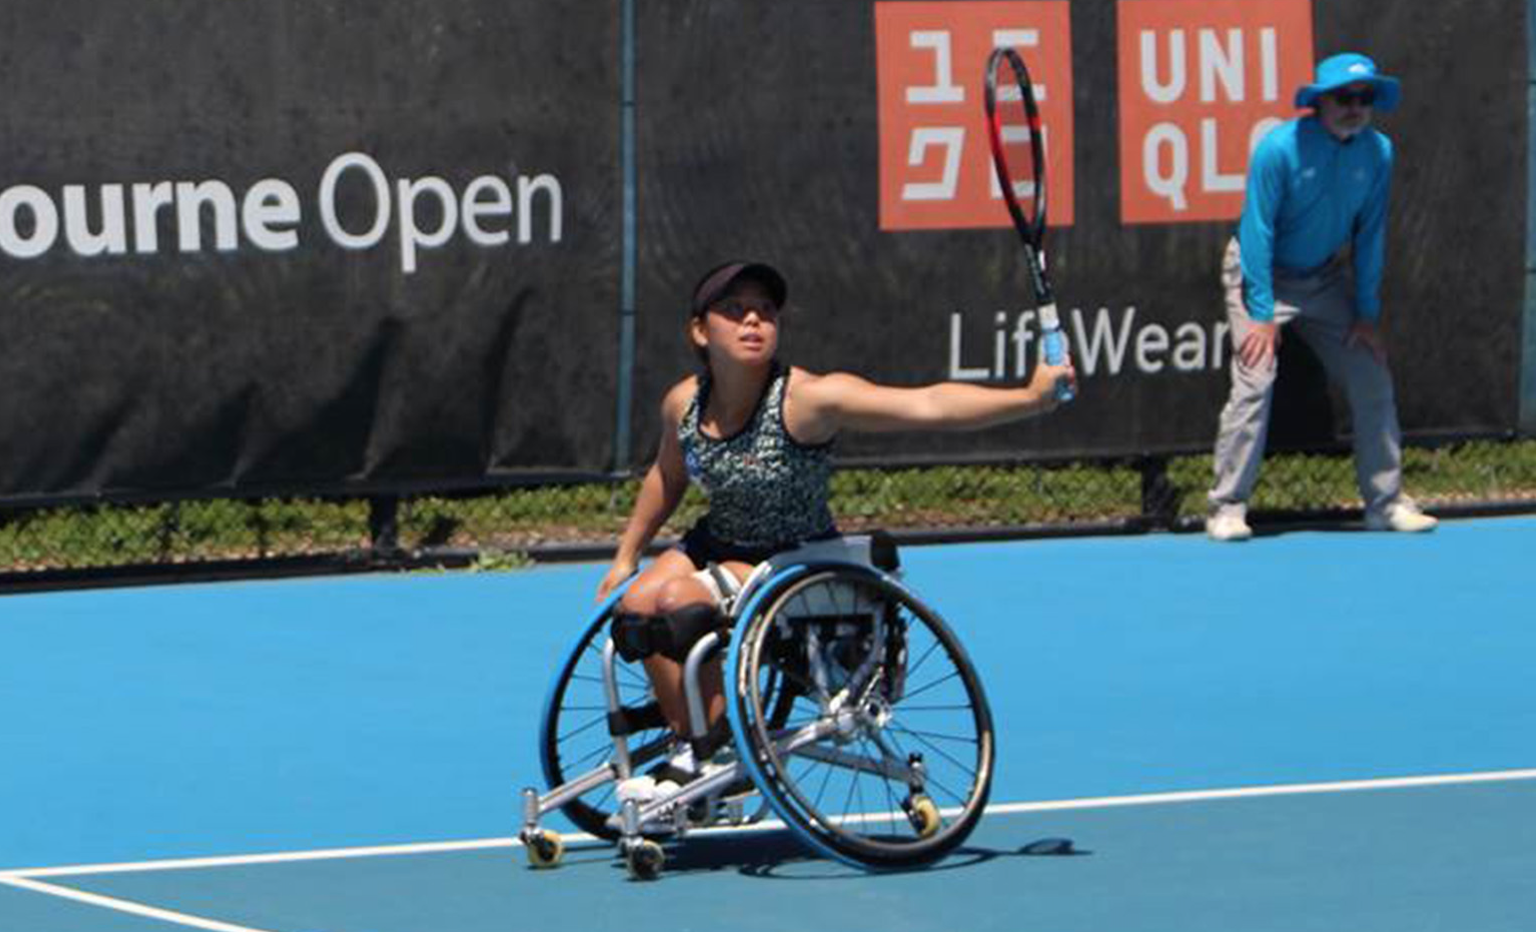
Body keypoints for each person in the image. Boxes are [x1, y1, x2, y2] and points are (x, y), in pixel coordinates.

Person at [598, 260, 1075, 802]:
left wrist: (1030, 397)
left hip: (792, 554)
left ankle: (717, 753)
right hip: (717, 540)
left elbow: (925, 403)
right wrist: (626, 553)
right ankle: (694, 739)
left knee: (678, 602)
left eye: (765, 312)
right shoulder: (683, 402)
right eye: (734, 311)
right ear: (701, 331)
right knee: (636, 606)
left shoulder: (808, 400)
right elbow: (667, 474)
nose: (753, 321)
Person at [1206, 52, 1437, 541]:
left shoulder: (1378, 153)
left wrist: (1366, 315)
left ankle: (1385, 503)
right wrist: (1263, 313)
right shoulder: (1278, 148)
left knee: (1371, 374)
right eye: (1344, 97)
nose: (1356, 106)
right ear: (1319, 102)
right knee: (1255, 376)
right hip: (1259, 272)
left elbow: (1370, 236)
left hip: (1324, 280)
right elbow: (1257, 231)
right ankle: (1227, 507)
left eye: (1365, 97)